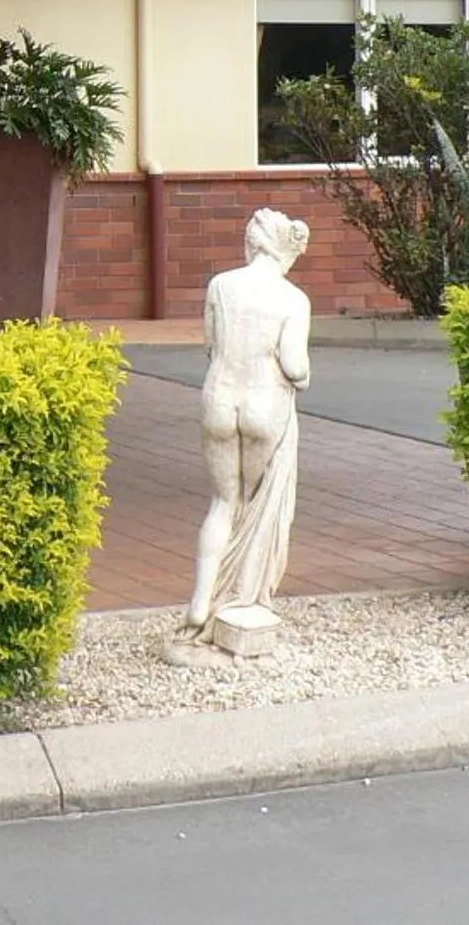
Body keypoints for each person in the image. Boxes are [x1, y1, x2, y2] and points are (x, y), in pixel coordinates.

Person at [186, 207, 313, 637]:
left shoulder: (220, 286)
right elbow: (294, 366)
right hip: (265, 406)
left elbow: (211, 344)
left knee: (223, 501)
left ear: (252, 243)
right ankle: (242, 598)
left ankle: (202, 601)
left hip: (220, 400)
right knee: (256, 504)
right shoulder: (293, 299)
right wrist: (306, 375)